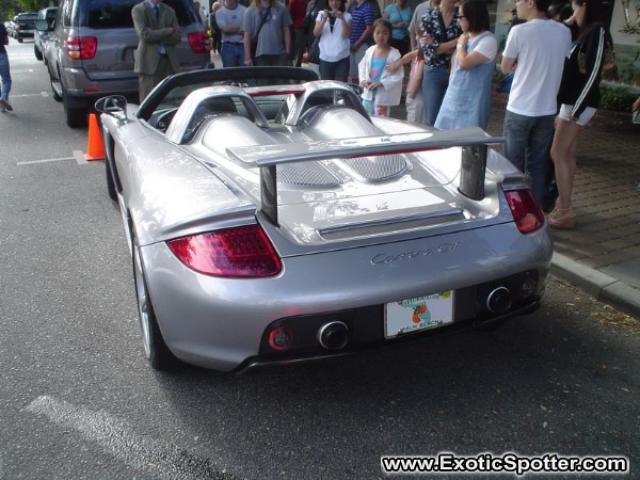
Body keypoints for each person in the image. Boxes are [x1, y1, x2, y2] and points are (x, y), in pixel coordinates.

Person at [548, 0, 613, 229]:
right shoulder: (585, 31)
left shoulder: (598, 31)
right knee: (566, 154)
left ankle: (566, 209)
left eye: (576, 5)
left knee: (558, 152)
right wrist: (567, 22)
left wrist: (575, 109)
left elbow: (594, 74)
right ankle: (564, 206)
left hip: (577, 104)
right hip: (572, 103)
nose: (573, 10)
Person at [500, 0, 571, 206]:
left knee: (512, 165)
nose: (516, 4)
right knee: (538, 165)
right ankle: (535, 211)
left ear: (531, 2)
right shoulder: (564, 32)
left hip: (519, 108)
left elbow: (505, 67)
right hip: (547, 110)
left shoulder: (519, 31)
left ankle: (513, 210)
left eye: (519, 1)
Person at [434, 0, 496, 130]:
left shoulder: (488, 40)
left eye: (461, 17)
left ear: (473, 17)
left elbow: (464, 63)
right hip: (453, 97)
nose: (458, 20)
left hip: (472, 102)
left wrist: (461, 45)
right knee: (444, 138)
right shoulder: (466, 37)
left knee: (467, 144)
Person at [419, 0, 461, 126]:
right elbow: (428, 50)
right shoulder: (428, 17)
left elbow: (464, 47)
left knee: (451, 117)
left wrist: (437, 45)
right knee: (432, 118)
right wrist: (456, 41)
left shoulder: (461, 16)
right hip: (434, 71)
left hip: (455, 71)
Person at [132, 0, 181, 102]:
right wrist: (167, 31)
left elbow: (177, 36)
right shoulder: (139, 10)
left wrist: (155, 35)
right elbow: (145, 35)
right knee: (149, 99)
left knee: (170, 99)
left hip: (168, 61)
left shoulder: (169, 10)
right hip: (149, 63)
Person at [358, 19, 403, 117]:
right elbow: (362, 67)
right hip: (368, 95)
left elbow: (398, 75)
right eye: (377, 32)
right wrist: (364, 80)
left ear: (389, 35)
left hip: (383, 98)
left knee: (381, 123)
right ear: (373, 33)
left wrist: (382, 83)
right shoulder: (370, 51)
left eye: (385, 33)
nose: (381, 36)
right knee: (365, 121)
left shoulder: (394, 54)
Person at [243, 0, 292, 66]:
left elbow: (286, 30)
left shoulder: (281, 9)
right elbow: (247, 35)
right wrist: (248, 57)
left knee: (280, 76)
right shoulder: (250, 11)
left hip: (280, 54)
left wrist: (287, 52)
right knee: (263, 76)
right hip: (260, 54)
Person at [313, 0, 352, 81]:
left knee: (340, 87)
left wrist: (342, 19)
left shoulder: (347, 16)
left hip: (342, 57)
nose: (334, 3)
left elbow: (346, 35)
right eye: (331, 0)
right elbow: (316, 33)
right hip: (325, 57)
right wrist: (324, 20)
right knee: (326, 86)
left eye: (337, 0)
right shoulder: (321, 14)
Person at [348, 0, 375, 83]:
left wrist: (357, 43)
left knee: (362, 73)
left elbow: (369, 29)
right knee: (353, 74)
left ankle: (362, 94)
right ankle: (355, 93)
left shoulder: (367, 8)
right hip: (351, 45)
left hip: (361, 46)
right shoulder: (353, 7)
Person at [216, 0, 247, 67]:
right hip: (227, 46)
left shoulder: (245, 10)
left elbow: (247, 29)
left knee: (245, 73)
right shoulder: (220, 12)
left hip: (243, 45)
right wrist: (240, 29)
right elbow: (225, 29)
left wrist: (231, 29)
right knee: (229, 74)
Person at [289, 0, 307, 66]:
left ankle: (297, 65)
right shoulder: (294, 2)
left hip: (307, 28)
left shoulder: (308, 3)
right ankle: (296, 66)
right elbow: (290, 17)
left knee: (301, 50)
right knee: (299, 50)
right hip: (298, 29)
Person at [0, 21, 12, 112]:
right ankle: (3, 98)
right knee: (6, 80)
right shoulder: (1, 25)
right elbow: (6, 42)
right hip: (1, 54)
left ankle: (2, 105)